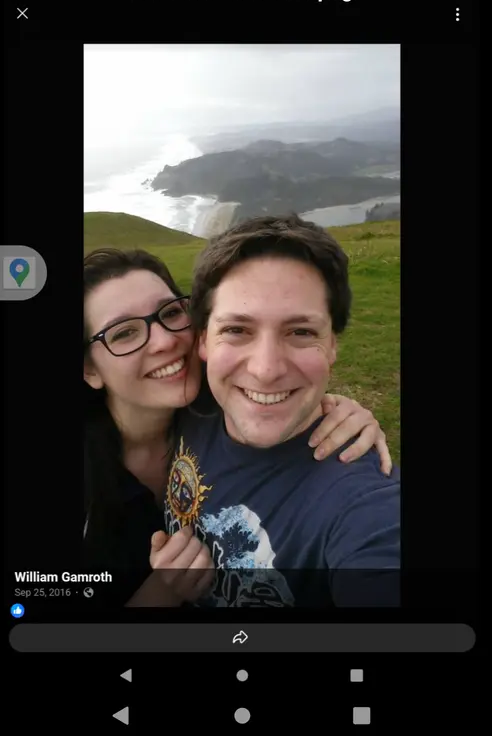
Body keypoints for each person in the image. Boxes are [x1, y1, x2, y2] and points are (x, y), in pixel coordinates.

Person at [83, 245, 393, 607]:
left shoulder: (215, 411)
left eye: (170, 313)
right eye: (123, 333)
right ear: (89, 370)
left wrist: (335, 409)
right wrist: (165, 590)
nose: (166, 340)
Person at [158, 213, 400, 607]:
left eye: (301, 332)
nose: (266, 370)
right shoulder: (191, 409)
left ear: (333, 346)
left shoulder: (363, 504)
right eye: (236, 330)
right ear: (203, 341)